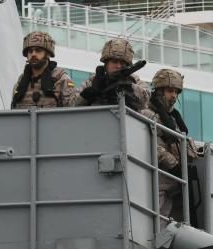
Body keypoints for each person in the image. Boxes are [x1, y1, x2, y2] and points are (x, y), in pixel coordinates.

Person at [149, 68, 199, 222]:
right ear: (159, 91)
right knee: (156, 222)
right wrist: (174, 165)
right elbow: (148, 144)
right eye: (170, 91)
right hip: (158, 180)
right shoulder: (147, 114)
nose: (173, 96)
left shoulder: (173, 119)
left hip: (172, 183)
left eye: (176, 92)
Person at [77, 38, 149, 112]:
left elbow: (145, 102)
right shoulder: (93, 80)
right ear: (106, 64)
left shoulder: (134, 80)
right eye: (115, 62)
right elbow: (71, 106)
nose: (118, 66)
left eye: (122, 63)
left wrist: (130, 87)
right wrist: (88, 94)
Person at [10, 31, 78, 109]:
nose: (33, 54)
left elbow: (72, 112)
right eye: (30, 51)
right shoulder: (21, 81)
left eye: (38, 50)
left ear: (47, 54)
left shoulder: (61, 79)